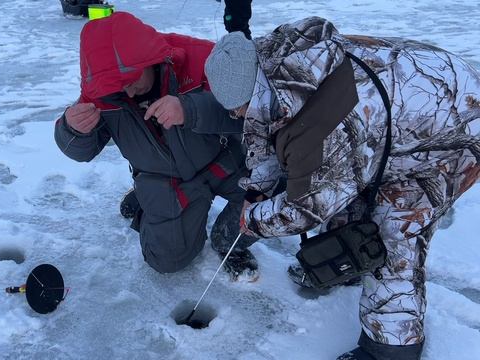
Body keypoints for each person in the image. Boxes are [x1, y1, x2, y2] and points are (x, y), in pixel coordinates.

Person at [204, 17, 480, 360]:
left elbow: (306, 209)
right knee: (351, 194)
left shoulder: (327, 122)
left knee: (393, 232)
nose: (237, 117)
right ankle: (346, 268)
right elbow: (269, 128)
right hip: (409, 104)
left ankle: (389, 350)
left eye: (239, 110)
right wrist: (258, 190)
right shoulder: (281, 69)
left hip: (454, 132)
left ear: (254, 93)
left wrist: (255, 220)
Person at [54, 12, 260, 279]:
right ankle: (147, 202)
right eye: (119, 89)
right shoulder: (103, 90)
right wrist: (72, 130)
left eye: (130, 82)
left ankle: (226, 241)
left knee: (271, 200)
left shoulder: (202, 59)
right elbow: (83, 151)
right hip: (165, 179)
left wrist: (190, 110)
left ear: (149, 60)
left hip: (222, 160)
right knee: (166, 261)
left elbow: (251, 115)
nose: (127, 93)